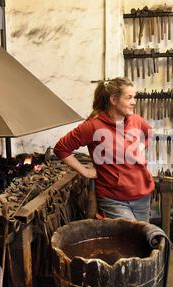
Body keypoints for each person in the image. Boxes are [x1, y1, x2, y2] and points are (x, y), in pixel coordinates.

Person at [54, 77, 154, 222]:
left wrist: (140, 147)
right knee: (130, 237)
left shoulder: (135, 120)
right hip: (114, 198)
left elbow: (149, 132)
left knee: (143, 237)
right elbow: (61, 148)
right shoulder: (93, 126)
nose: (134, 102)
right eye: (129, 98)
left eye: (134, 97)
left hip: (142, 194)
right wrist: (85, 171)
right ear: (113, 100)